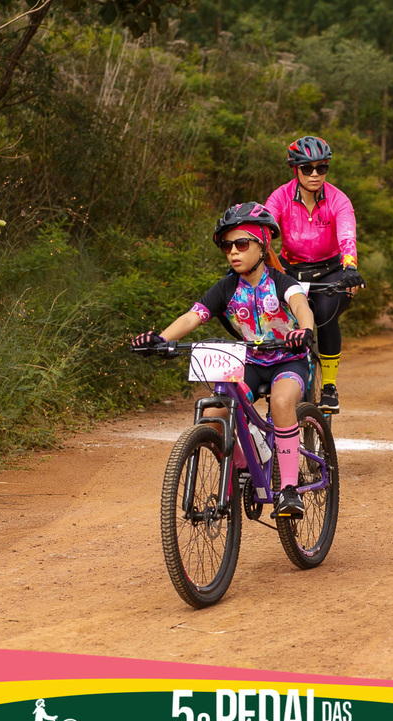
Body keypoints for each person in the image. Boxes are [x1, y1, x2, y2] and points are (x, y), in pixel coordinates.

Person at [133, 203, 316, 519]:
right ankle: (243, 465)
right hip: (250, 363)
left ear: (262, 244)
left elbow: (301, 305)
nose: (233, 252)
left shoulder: (281, 282)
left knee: (282, 402)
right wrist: (161, 339)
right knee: (213, 417)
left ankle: (288, 489)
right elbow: (193, 317)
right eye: (227, 246)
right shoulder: (227, 287)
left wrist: (305, 330)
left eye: (241, 244)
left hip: (289, 360)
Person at [264, 136, 363, 415]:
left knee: (325, 315)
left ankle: (329, 386)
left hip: (330, 270)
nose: (315, 174)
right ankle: (275, 377)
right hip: (289, 269)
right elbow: (263, 231)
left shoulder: (339, 199)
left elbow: (347, 236)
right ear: (295, 169)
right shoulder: (280, 197)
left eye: (322, 168)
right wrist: (253, 257)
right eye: (307, 168)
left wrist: (350, 267)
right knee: (275, 317)